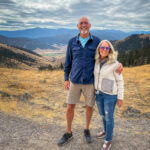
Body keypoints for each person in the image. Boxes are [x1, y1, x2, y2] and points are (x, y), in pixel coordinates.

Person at [58, 16, 123, 146]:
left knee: (89, 107)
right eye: (81, 23)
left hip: (90, 82)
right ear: (77, 26)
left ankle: (86, 129)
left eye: (86, 23)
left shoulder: (97, 41)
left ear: (90, 25)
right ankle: (69, 132)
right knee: (70, 106)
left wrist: (119, 63)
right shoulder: (72, 42)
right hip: (75, 81)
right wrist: (66, 78)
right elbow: (68, 62)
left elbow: (106, 53)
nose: (83, 25)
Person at [94, 40, 124, 150]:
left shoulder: (115, 64)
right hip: (99, 94)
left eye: (106, 48)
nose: (104, 50)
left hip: (110, 96)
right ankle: (106, 131)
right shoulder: (96, 61)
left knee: (109, 118)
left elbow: (120, 81)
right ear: (99, 49)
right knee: (102, 115)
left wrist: (120, 97)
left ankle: (108, 140)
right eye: (102, 47)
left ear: (110, 50)